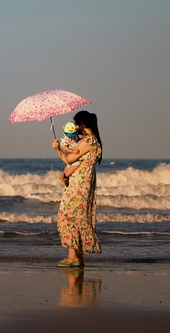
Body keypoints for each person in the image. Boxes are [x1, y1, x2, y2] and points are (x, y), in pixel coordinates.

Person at [51, 110, 102, 267]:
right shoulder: (89, 140)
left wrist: (58, 149)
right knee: (78, 216)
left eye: (76, 124)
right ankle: (78, 257)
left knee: (67, 217)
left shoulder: (88, 142)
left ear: (82, 124)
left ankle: (73, 256)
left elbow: (69, 158)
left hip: (79, 184)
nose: (74, 127)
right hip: (82, 182)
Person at [57, 122, 82, 187]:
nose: (70, 137)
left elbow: (78, 139)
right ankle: (65, 176)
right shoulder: (64, 138)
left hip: (74, 151)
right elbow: (64, 147)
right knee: (76, 164)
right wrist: (72, 151)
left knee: (68, 166)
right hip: (70, 152)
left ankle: (64, 175)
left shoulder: (75, 135)